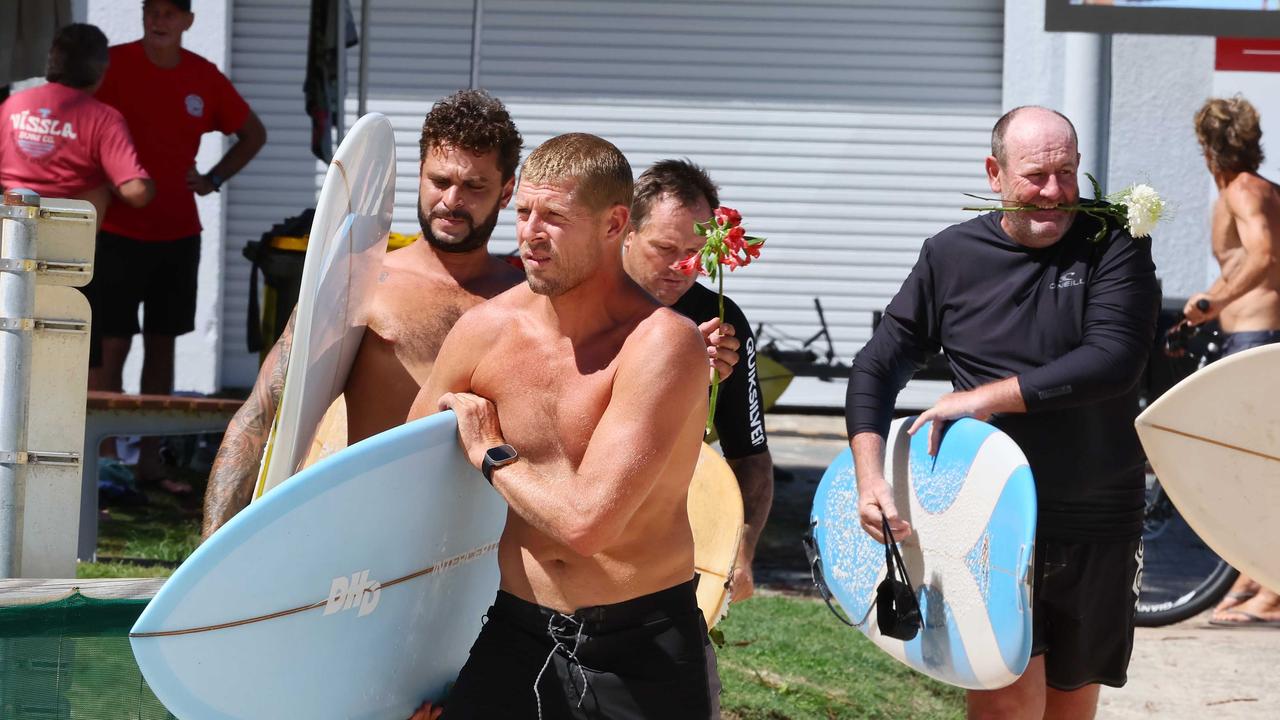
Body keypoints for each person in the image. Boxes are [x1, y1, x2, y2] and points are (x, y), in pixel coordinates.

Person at [846, 106, 1160, 718]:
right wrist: (870, 476)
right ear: (995, 173)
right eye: (1035, 176)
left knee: (1071, 704)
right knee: (1008, 704)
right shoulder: (950, 255)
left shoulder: (1113, 242)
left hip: (1097, 514)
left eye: (1066, 173)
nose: (1054, 193)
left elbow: (1113, 360)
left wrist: (981, 398)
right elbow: (876, 365)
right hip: (988, 521)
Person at [408, 133, 717, 720]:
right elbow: (402, 479)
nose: (530, 232)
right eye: (523, 212)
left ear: (613, 223)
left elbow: (586, 524)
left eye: (554, 216)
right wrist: (406, 659)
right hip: (513, 632)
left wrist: (490, 451)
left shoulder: (661, 344)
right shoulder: (486, 330)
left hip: (640, 646)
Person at [202, 89, 524, 537]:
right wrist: (209, 558)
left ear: (506, 191)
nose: (452, 200)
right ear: (419, 175)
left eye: (474, 187)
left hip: (476, 541)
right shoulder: (359, 281)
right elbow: (259, 416)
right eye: (440, 181)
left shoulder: (525, 302)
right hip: (367, 534)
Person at [85, 0, 266, 402]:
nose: (158, 21)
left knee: (161, 343)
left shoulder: (203, 75)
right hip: (115, 231)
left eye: (169, 13)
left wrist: (212, 179)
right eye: (152, 11)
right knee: (110, 346)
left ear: (188, 21)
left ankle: (149, 460)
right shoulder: (112, 64)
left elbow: (253, 134)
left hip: (177, 234)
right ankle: (108, 456)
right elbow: (77, 117)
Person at [622, 158, 773, 602]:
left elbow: (751, 454)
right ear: (625, 232)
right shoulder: (586, 304)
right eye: (664, 249)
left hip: (673, 543)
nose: (681, 267)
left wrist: (741, 548)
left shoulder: (721, 320)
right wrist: (678, 372)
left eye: (695, 254)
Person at [1183, 95, 1280, 629]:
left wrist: (1216, 303)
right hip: (1256, 337)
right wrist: (1204, 307)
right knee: (1254, 466)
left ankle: (1270, 590)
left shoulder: (1243, 192)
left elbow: (1263, 256)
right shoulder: (1263, 191)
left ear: (1207, 148)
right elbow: (1245, 264)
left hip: (1256, 340)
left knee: (1254, 469)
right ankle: (1251, 575)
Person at [0, 23, 153, 224]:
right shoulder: (103, 119)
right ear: (102, 69)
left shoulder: (14, 104)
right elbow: (137, 192)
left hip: (9, 230)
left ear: (52, 61)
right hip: (66, 241)